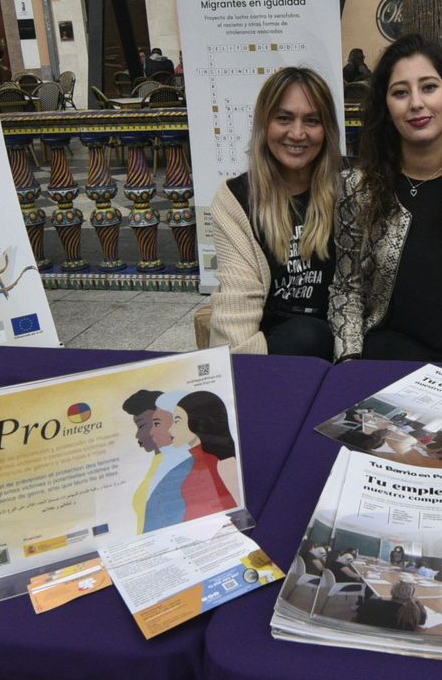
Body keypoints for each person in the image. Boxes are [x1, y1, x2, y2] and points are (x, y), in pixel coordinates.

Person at [329, 33, 442, 362]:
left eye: (429, 87)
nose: (416, 103)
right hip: (392, 358)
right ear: (386, 107)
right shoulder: (358, 187)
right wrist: (349, 361)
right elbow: (346, 289)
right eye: (400, 92)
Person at [209, 67, 341, 358]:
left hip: (343, 335)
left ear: (327, 129)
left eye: (312, 120)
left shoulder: (350, 186)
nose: (297, 133)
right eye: (284, 118)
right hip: (278, 346)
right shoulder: (236, 199)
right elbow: (236, 302)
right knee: (307, 336)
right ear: (264, 123)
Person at [123, 389, 237, 533]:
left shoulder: (215, 463)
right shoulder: (166, 464)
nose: (171, 430)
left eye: (176, 421)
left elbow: (236, 515)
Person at [354, 581, 427, 631]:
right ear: (410, 597)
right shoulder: (411, 614)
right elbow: (422, 622)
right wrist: (419, 603)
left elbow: (357, 619)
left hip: (366, 639)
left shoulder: (370, 603)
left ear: (391, 592)